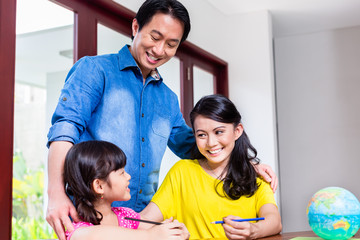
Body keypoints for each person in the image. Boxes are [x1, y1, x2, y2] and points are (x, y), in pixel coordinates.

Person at [46, 0, 278, 239]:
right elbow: (65, 129)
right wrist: (56, 193)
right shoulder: (95, 70)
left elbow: (193, 146)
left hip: (140, 220)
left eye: (171, 44)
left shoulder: (167, 99)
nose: (159, 50)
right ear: (136, 27)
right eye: (155, 37)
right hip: (91, 218)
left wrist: (246, 164)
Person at [140, 94, 282, 239]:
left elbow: (274, 222)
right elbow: (143, 221)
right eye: (202, 135)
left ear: (237, 131)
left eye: (219, 132)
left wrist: (254, 230)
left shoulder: (256, 176)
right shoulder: (182, 172)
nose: (211, 143)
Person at [63, 140, 189, 240]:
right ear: (99, 186)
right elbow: (93, 236)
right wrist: (150, 236)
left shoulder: (126, 216)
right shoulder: (80, 231)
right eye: (122, 172)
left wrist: (173, 231)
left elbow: (156, 231)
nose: (128, 176)